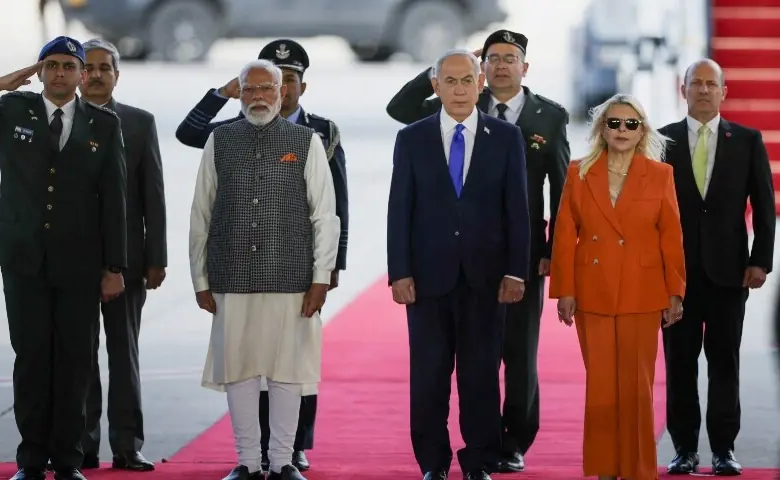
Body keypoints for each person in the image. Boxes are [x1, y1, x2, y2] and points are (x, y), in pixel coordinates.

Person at [386, 30, 569, 472]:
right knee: (429, 376)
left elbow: (531, 204)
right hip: (431, 274)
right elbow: (399, 209)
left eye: (467, 79)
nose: (461, 87)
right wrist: (399, 271)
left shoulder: (516, 131)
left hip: (495, 269)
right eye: (451, 79)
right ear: (439, 84)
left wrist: (537, 260)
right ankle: (432, 459)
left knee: (487, 372)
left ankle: (490, 454)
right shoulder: (417, 134)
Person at [176, 39, 348, 470]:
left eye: (267, 89)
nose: (258, 97)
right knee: (240, 373)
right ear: (238, 91)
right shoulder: (220, 139)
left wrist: (322, 275)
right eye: (248, 89)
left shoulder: (308, 140)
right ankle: (249, 463)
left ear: (283, 93)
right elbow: (201, 213)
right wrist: (200, 279)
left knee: (289, 373)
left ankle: (284, 461)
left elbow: (326, 215)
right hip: (231, 277)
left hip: (292, 279)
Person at [0, 36, 127, 480]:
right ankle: (30, 460)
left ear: (83, 74)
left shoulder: (103, 124)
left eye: (68, 65)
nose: (60, 73)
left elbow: (114, 200)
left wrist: (114, 267)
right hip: (22, 258)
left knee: (75, 361)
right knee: (30, 358)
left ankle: (67, 460)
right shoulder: (11, 113)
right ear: (40, 71)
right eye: (52, 65)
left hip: (80, 264)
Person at [549, 93, 685, 480]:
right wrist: (565, 291)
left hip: (644, 291)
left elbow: (671, 236)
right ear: (601, 129)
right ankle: (606, 468)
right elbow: (563, 234)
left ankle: (639, 469)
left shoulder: (660, 174)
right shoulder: (578, 172)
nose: (622, 130)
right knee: (602, 387)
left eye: (631, 123)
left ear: (642, 130)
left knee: (638, 389)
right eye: (614, 123)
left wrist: (675, 291)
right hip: (592, 290)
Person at [659, 58, 776, 476]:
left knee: (724, 362)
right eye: (697, 83)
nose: (704, 90)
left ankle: (724, 449)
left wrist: (761, 260)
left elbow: (765, 207)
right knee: (679, 365)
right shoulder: (661, 140)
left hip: (730, 274)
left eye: (712, 84)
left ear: (724, 92)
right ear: (683, 89)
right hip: (676, 277)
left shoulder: (746, 140)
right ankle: (684, 449)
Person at [77, 38, 167, 472]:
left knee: (124, 355)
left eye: (103, 68)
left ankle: (127, 445)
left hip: (129, 263)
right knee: (79, 356)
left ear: (117, 74)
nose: (95, 75)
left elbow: (154, 197)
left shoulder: (139, 122)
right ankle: (82, 445)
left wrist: (157, 259)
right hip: (70, 263)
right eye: (87, 68)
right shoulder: (58, 121)